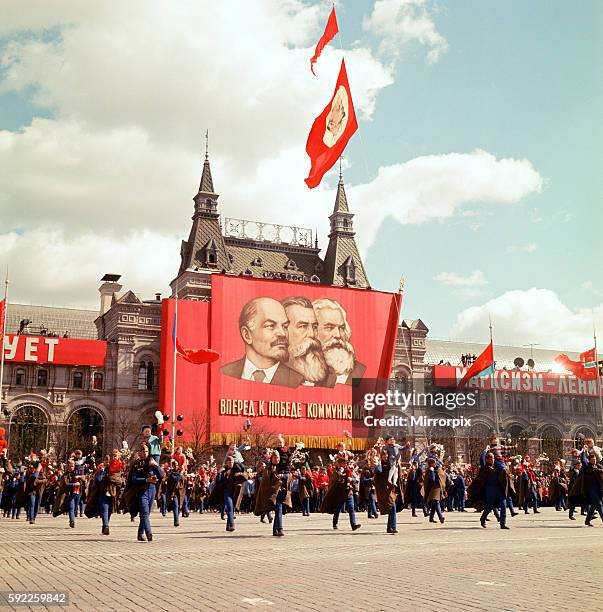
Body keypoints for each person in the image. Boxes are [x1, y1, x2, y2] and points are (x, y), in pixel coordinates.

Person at [220, 297, 304, 388]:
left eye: (285, 326)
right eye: (270, 326)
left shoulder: (298, 382)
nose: (282, 334)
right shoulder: (224, 374)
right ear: (247, 335)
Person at [312, 298, 366, 385]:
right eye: (329, 327)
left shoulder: (359, 373)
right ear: (313, 331)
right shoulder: (297, 374)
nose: (338, 335)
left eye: (341, 328)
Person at [281, 296, 330, 386]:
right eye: (303, 326)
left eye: (314, 327)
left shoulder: (332, 378)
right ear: (283, 331)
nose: (312, 334)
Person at [125, 445, 163, 542]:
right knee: (144, 512)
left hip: (152, 490)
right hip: (141, 490)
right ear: (140, 452)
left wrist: (156, 466)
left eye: (146, 451)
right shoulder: (137, 464)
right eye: (143, 451)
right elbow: (134, 479)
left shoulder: (152, 462)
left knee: (146, 513)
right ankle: (149, 532)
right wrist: (146, 479)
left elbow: (161, 476)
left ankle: (140, 533)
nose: (145, 452)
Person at [469, 452, 513, 530]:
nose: (492, 460)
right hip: (490, 489)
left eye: (493, 458)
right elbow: (482, 458)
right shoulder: (484, 468)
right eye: (491, 459)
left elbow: (504, 469)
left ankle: (503, 523)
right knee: (489, 505)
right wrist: (485, 451)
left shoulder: (497, 467)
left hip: (499, 489)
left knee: (503, 505)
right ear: (487, 460)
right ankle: (483, 518)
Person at [254, 449, 292, 536]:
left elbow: (289, 475)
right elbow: (266, 481)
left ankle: (277, 529)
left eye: (278, 457)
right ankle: (279, 529)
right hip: (272, 493)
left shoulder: (283, 467)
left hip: (282, 491)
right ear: (271, 458)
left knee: (279, 509)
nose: (277, 459)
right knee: (278, 509)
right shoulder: (269, 468)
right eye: (275, 458)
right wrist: (276, 482)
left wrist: (283, 476)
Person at [321, 452, 361, 531]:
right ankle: (335, 523)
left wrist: (350, 479)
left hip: (348, 492)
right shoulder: (335, 471)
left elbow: (353, 478)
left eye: (346, 462)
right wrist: (340, 475)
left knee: (351, 508)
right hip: (340, 493)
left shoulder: (348, 469)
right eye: (344, 462)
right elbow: (334, 479)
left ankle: (353, 525)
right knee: (338, 509)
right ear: (340, 463)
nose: (345, 464)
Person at [374, 448, 403, 534]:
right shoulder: (380, 465)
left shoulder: (390, 464)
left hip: (390, 489)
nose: (386, 458)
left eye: (387, 456)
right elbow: (379, 473)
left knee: (392, 507)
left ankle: (391, 527)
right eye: (384, 457)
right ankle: (391, 527)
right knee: (392, 506)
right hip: (384, 489)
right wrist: (379, 463)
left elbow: (396, 471)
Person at [422, 457, 446, 524]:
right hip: (433, 489)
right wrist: (432, 472)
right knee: (436, 502)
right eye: (434, 463)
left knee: (434, 503)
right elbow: (432, 480)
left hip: (437, 488)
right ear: (431, 464)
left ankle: (431, 518)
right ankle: (440, 517)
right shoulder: (430, 470)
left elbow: (442, 475)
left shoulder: (437, 469)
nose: (435, 464)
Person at [166, 460, 186, 527]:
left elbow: (184, 479)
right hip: (173, 492)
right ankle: (176, 521)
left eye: (177, 465)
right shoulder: (170, 473)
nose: (176, 466)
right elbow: (176, 478)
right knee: (175, 505)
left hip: (180, 492)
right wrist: (181, 473)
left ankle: (178, 517)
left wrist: (183, 473)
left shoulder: (181, 472)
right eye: (174, 465)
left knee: (178, 506)